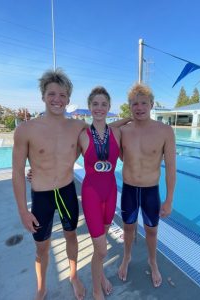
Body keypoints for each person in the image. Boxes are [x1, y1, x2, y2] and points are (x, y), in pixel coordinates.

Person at [12, 69, 87, 300]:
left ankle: (74, 276)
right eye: (52, 94)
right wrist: (23, 211)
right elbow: (16, 171)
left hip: (66, 191)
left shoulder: (78, 127)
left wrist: (130, 119)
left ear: (68, 98)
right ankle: (42, 287)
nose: (58, 99)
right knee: (41, 247)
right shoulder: (26, 129)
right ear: (43, 95)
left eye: (63, 95)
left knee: (71, 236)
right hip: (41, 196)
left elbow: (104, 132)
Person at [118, 83, 176, 288]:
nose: (139, 107)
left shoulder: (165, 131)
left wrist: (169, 200)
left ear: (152, 105)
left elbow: (170, 168)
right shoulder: (123, 131)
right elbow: (104, 130)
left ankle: (153, 262)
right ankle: (127, 257)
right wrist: (125, 119)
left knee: (152, 231)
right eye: (134, 104)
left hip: (151, 190)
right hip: (129, 190)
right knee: (128, 228)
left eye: (144, 103)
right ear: (130, 107)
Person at [78, 87, 121, 300]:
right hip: (92, 195)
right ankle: (96, 289)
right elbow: (62, 159)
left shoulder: (117, 133)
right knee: (102, 249)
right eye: (95, 104)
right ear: (89, 107)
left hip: (111, 193)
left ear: (109, 107)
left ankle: (101, 273)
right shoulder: (82, 136)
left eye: (104, 104)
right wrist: (35, 172)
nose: (99, 108)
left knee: (101, 245)